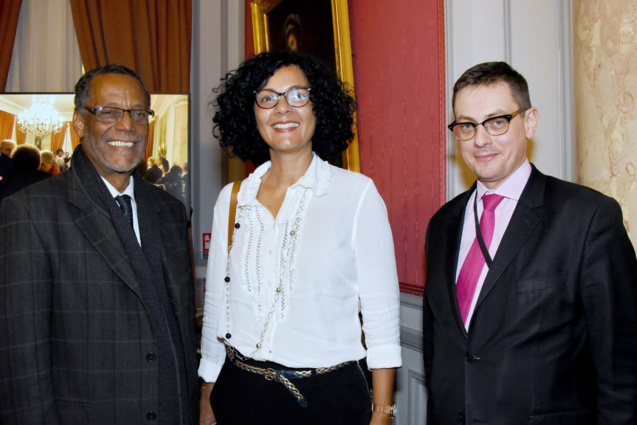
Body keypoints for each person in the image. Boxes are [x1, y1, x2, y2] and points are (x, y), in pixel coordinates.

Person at [423, 61, 637, 424]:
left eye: (496, 121)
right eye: (467, 126)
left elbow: (623, 367)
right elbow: (440, 346)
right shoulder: (442, 224)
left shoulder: (587, 218)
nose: (480, 140)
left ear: (530, 121)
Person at [199, 51, 402, 425]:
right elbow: (217, 306)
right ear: (252, 113)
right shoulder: (231, 199)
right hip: (239, 394)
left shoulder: (357, 194)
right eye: (267, 97)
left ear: (318, 107)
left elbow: (381, 318)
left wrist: (383, 412)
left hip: (329, 400)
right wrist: (208, 394)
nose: (282, 108)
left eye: (297, 95)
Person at [0, 64, 198, 425]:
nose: (127, 125)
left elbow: (180, 329)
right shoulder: (30, 212)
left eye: (138, 113)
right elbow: (20, 363)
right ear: (79, 123)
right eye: (109, 112)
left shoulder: (169, 211)